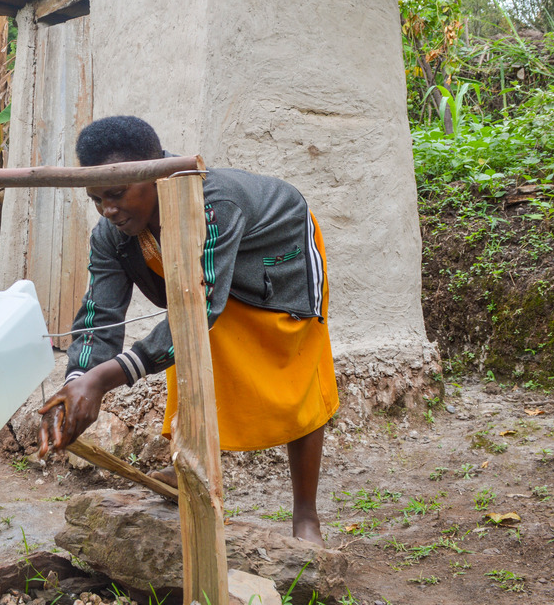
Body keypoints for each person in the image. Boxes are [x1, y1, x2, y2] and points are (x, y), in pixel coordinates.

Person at [37, 116, 339, 544]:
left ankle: (305, 514)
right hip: (201, 290)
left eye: (118, 193)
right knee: (184, 342)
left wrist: (104, 379)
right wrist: (76, 381)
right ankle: (192, 470)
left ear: (155, 172)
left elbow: (202, 307)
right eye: (97, 198)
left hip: (279, 261)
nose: (108, 209)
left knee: (296, 377)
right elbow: (101, 314)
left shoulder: (213, 203)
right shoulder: (110, 234)